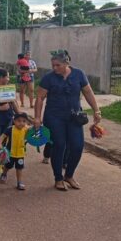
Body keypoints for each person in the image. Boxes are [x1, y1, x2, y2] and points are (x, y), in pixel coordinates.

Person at [34, 49, 101, 191]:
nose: (54, 68)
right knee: (59, 146)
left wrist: (96, 109)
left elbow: (88, 92)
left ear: (67, 63)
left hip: (74, 117)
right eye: (53, 65)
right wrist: (37, 118)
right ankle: (58, 178)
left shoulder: (79, 74)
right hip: (54, 117)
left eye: (57, 65)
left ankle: (69, 175)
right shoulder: (49, 78)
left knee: (77, 146)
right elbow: (40, 97)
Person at [0, 112, 29, 190]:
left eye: (24, 121)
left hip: (20, 154)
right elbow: (3, 136)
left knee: (19, 168)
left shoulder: (26, 129)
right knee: (8, 165)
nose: (21, 123)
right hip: (10, 153)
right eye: (19, 121)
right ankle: (4, 174)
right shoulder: (10, 129)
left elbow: (35, 130)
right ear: (14, 121)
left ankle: (19, 182)